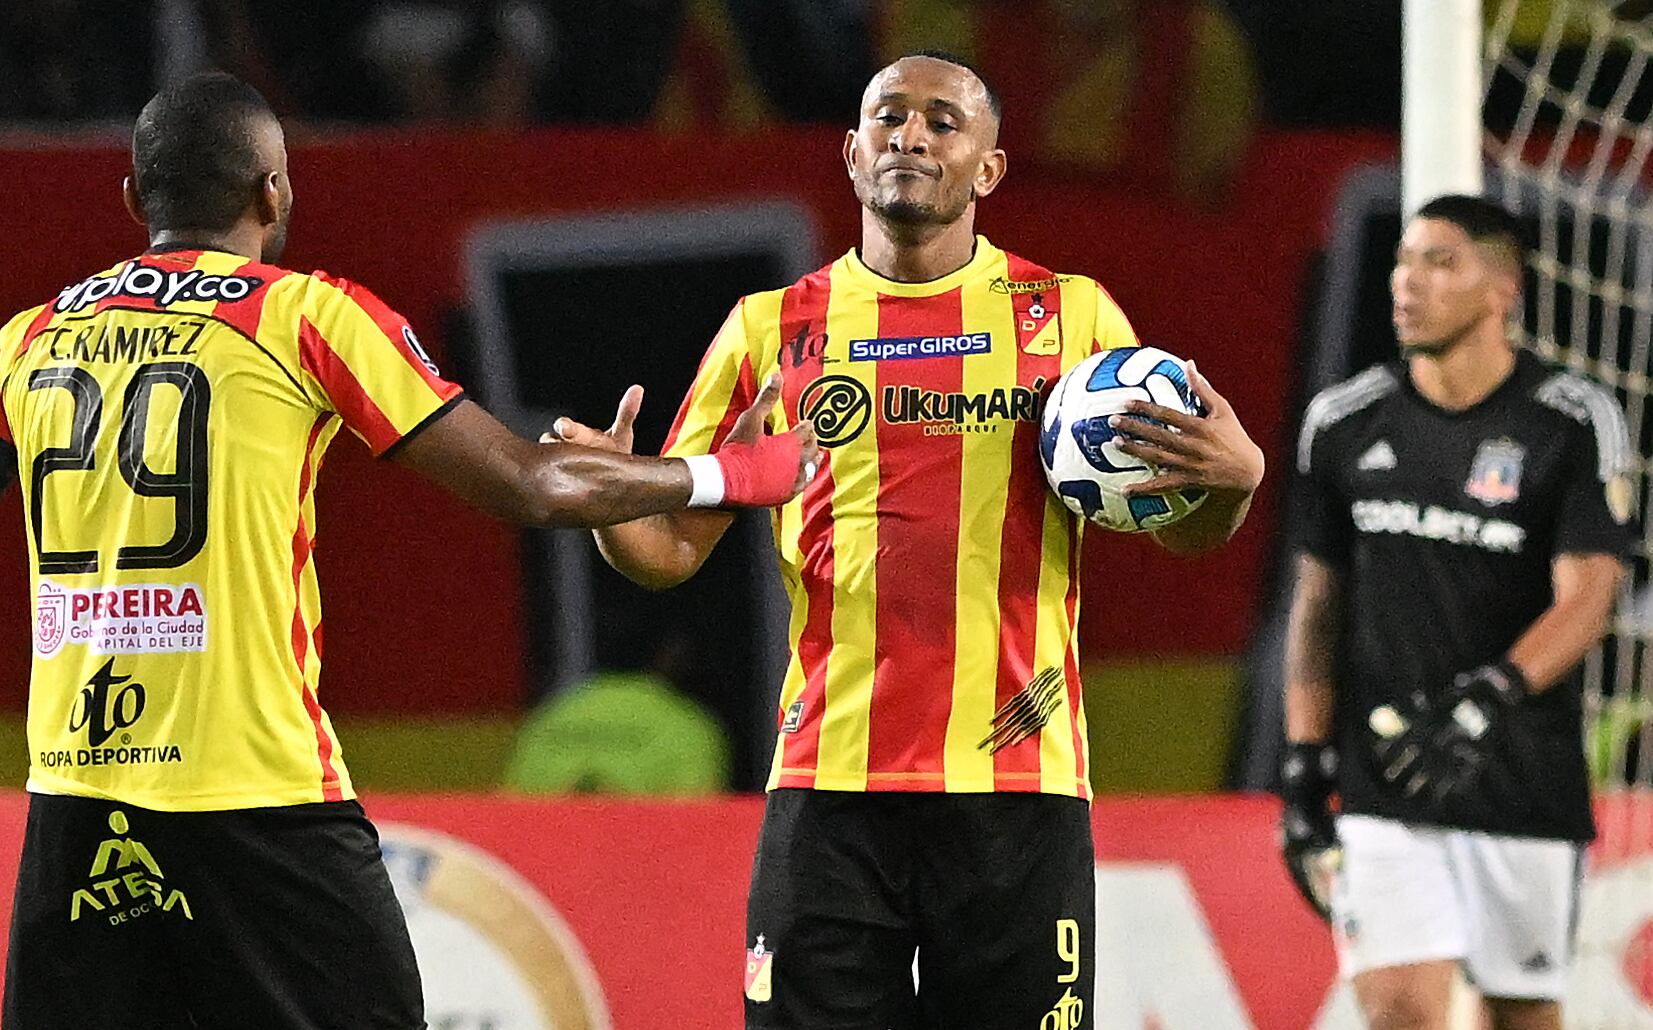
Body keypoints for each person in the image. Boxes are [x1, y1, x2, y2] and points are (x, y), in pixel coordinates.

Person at [0, 72, 817, 1029]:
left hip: (76, 799)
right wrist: (728, 476)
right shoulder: (304, 317)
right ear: (274, 193)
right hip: (257, 793)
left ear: (137, 200)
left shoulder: (31, 340)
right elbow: (533, 483)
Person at [552, 50, 1265, 1029]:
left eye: (942, 120)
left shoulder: (1071, 317)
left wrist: (1231, 486)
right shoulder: (769, 329)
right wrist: (610, 508)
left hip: (1018, 789)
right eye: (889, 117)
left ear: (989, 168)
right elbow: (672, 548)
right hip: (829, 788)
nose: (912, 135)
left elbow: (1183, 531)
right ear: (850, 154)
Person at [1281, 194, 1635, 1030]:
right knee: (1399, 1010)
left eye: (1440, 263)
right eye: (1405, 261)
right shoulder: (1343, 420)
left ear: (1501, 288)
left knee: (1520, 1017)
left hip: (1519, 775)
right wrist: (1302, 766)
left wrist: (1487, 699)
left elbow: (1587, 597)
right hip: (1387, 774)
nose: (1408, 283)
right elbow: (1316, 609)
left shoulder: (1574, 421)